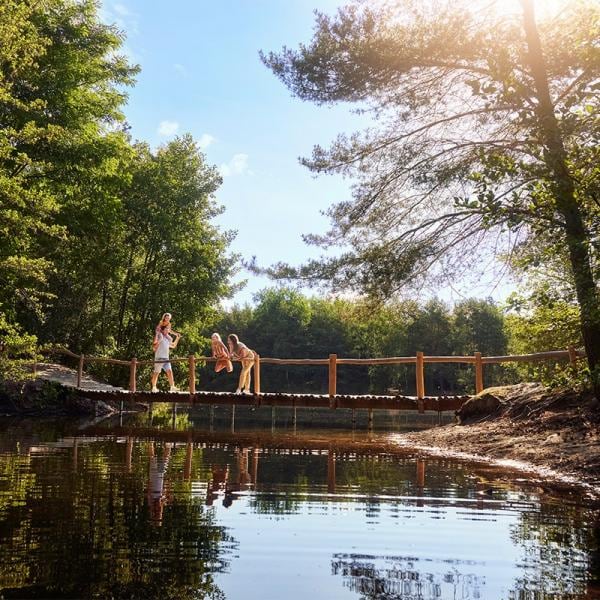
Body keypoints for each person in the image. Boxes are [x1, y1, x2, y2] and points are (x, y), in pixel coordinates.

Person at [151, 324, 180, 392]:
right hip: (159, 358)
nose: (168, 330)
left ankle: (172, 387)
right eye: (166, 329)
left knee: (169, 371)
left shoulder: (168, 339)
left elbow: (173, 346)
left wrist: (177, 338)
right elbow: (154, 346)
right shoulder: (159, 336)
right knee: (156, 373)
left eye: (168, 329)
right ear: (163, 330)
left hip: (166, 358)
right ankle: (154, 387)